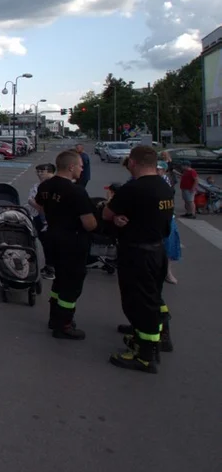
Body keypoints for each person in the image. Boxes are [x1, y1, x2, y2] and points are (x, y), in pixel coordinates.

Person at [103, 146, 173, 373]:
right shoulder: (164, 187)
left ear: (133, 162)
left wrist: (117, 218)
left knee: (139, 302)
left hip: (137, 252)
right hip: (157, 250)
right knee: (152, 297)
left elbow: (107, 214)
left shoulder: (133, 188)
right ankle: (156, 337)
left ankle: (144, 355)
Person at [36, 149, 98, 340]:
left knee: (59, 280)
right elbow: (89, 223)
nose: (82, 169)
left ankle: (54, 317)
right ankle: (64, 324)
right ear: (71, 167)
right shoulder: (76, 191)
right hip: (73, 241)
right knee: (71, 285)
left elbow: (40, 206)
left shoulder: (45, 186)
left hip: (53, 237)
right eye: (80, 165)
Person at [28, 163, 57, 280]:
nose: (40, 174)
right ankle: (49, 266)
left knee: (51, 243)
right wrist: (37, 205)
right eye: (38, 172)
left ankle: (52, 268)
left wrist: (38, 205)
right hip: (37, 217)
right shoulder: (36, 186)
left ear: (51, 172)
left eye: (42, 171)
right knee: (44, 242)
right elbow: (31, 199)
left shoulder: (56, 186)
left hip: (52, 220)